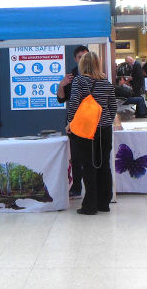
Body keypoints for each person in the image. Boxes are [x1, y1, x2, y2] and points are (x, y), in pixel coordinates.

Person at [66, 52, 117, 215]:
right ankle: (104, 203)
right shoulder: (106, 82)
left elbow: (74, 103)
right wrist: (106, 120)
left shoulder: (79, 81)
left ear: (82, 64)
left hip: (87, 130)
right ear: (97, 64)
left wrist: (70, 123)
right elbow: (113, 107)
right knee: (104, 164)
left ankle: (90, 205)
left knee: (89, 166)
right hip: (105, 128)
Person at [56, 45, 89, 199]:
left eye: (85, 56)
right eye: (80, 57)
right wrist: (61, 85)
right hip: (75, 123)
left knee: (92, 157)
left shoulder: (96, 75)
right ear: (75, 59)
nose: (83, 59)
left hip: (92, 122)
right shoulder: (70, 76)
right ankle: (76, 188)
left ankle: (93, 188)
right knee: (76, 157)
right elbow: (61, 99)